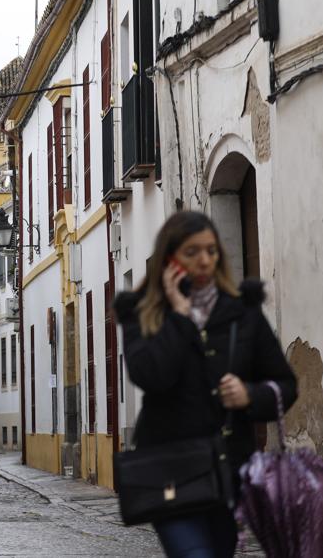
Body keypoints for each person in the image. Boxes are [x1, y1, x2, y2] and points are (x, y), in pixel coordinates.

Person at [114, 211, 297, 558]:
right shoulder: (142, 313)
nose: (204, 260)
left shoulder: (243, 313)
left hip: (229, 472)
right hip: (170, 473)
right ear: (170, 258)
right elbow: (150, 375)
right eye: (192, 252)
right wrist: (181, 316)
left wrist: (250, 395)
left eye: (211, 251)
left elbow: (286, 385)